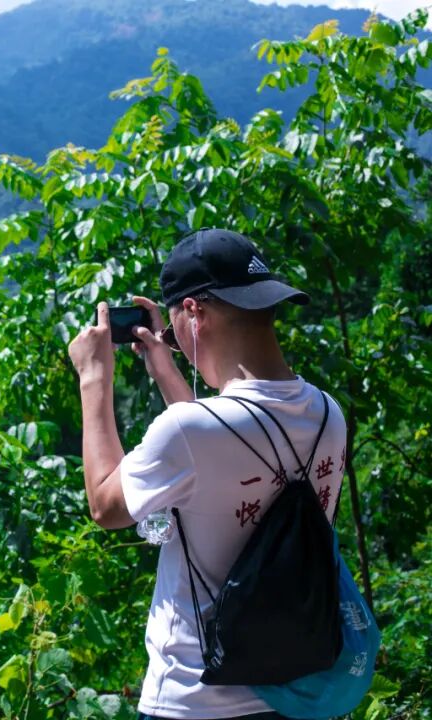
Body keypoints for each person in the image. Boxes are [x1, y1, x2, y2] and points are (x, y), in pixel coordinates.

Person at [66, 228, 347, 720]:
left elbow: (105, 507)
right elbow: (216, 453)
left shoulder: (190, 434)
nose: (174, 342)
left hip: (193, 699)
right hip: (294, 694)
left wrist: (94, 379)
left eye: (175, 331)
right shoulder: (328, 415)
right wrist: (164, 367)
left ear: (195, 313)